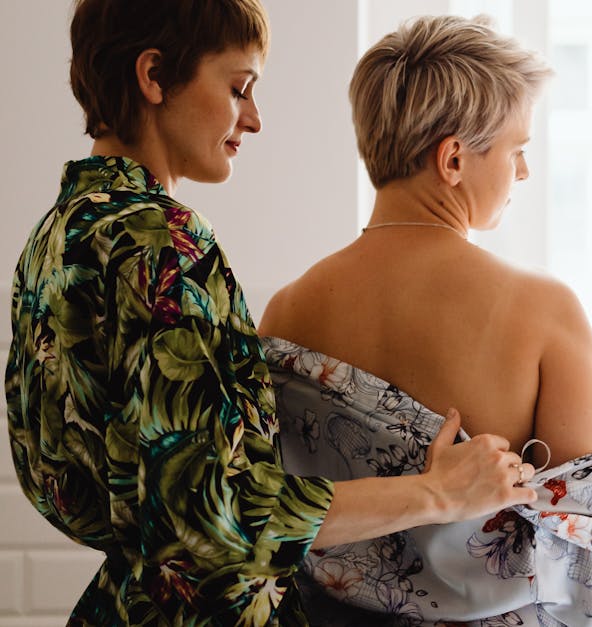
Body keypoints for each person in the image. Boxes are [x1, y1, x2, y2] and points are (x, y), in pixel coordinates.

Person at [4, 1, 537, 624]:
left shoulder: (55, 237)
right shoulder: (164, 246)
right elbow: (213, 518)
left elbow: (63, 488)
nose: (253, 119)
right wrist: (436, 492)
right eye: (238, 88)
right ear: (153, 77)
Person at [256, 14, 592, 625]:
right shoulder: (544, 313)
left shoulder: (287, 310)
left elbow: (273, 522)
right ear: (453, 160)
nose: (522, 172)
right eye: (517, 149)